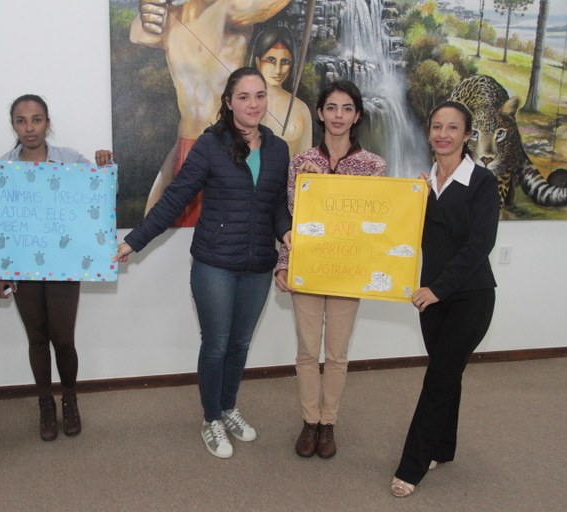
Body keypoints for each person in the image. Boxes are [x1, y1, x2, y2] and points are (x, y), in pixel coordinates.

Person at [114, 68, 293, 459]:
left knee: (240, 343)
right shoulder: (211, 145)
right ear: (229, 102)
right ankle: (211, 418)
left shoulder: (279, 149)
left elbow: (277, 203)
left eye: (259, 96)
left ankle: (228, 408)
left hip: (258, 264)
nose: (253, 104)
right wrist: (133, 241)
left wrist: (286, 232)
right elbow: (175, 197)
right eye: (244, 97)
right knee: (216, 345)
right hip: (215, 264)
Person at [0, 94, 113, 442]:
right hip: (22, 268)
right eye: (21, 121)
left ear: (47, 123)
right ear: (13, 125)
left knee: (63, 339)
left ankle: (69, 399)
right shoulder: (1, 168)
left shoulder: (71, 161)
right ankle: (46, 404)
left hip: (64, 267)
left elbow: (96, 204)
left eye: (37, 119)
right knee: (37, 338)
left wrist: (104, 168)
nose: (29, 128)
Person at [390, 100, 500, 497]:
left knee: (437, 379)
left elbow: (479, 244)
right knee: (447, 372)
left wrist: (438, 288)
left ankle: (412, 466)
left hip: (470, 297)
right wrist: (414, 201)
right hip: (431, 299)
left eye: (453, 127)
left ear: (467, 135)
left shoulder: (482, 182)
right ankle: (443, 448)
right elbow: (404, 238)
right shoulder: (423, 185)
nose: (443, 134)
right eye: (437, 126)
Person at [274, 81, 386, 459]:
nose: (339, 115)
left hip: (348, 272)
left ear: (357, 115)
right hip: (308, 267)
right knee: (308, 350)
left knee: (337, 353)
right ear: (320, 113)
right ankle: (309, 420)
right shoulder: (300, 162)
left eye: (347, 108)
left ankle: (328, 423)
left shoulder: (373, 166)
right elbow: (294, 219)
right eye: (332, 108)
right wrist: (284, 265)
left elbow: (375, 225)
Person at [131, 0, 290, 223]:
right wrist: (148, 7)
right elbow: (139, 33)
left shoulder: (229, 8)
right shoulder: (173, 17)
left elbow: (263, 6)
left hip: (226, 148)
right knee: (158, 221)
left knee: (230, 227)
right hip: (186, 143)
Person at [248, 25, 313, 159]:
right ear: (257, 61)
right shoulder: (239, 103)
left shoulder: (301, 109)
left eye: (284, 61)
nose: (278, 70)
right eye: (271, 60)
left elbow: (305, 163)